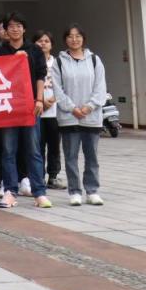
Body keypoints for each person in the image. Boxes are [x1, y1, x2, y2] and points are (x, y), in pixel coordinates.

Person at [0, 12, 52, 209]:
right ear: (5, 31)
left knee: (34, 150)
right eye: (11, 26)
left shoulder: (34, 50)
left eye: (18, 25)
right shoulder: (0, 51)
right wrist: (13, 59)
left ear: (24, 29)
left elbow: (41, 75)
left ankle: (39, 192)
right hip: (8, 107)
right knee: (8, 151)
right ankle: (10, 191)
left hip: (30, 106)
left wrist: (39, 99)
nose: (15, 29)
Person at [51, 24, 106, 206]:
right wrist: (72, 108)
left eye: (78, 36)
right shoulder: (59, 62)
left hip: (91, 117)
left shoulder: (95, 60)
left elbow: (100, 88)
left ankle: (92, 191)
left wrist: (89, 107)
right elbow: (58, 90)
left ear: (83, 38)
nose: (74, 39)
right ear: (65, 39)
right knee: (71, 156)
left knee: (92, 156)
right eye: (70, 36)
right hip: (69, 117)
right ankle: (74, 191)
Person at [33, 30, 66, 190]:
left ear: (51, 44)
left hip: (54, 112)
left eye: (46, 41)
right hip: (37, 110)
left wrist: (51, 100)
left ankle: (53, 176)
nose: (43, 43)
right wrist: (40, 100)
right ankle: (38, 176)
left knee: (54, 146)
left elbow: (64, 85)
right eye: (39, 41)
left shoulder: (58, 63)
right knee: (37, 147)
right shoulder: (31, 62)